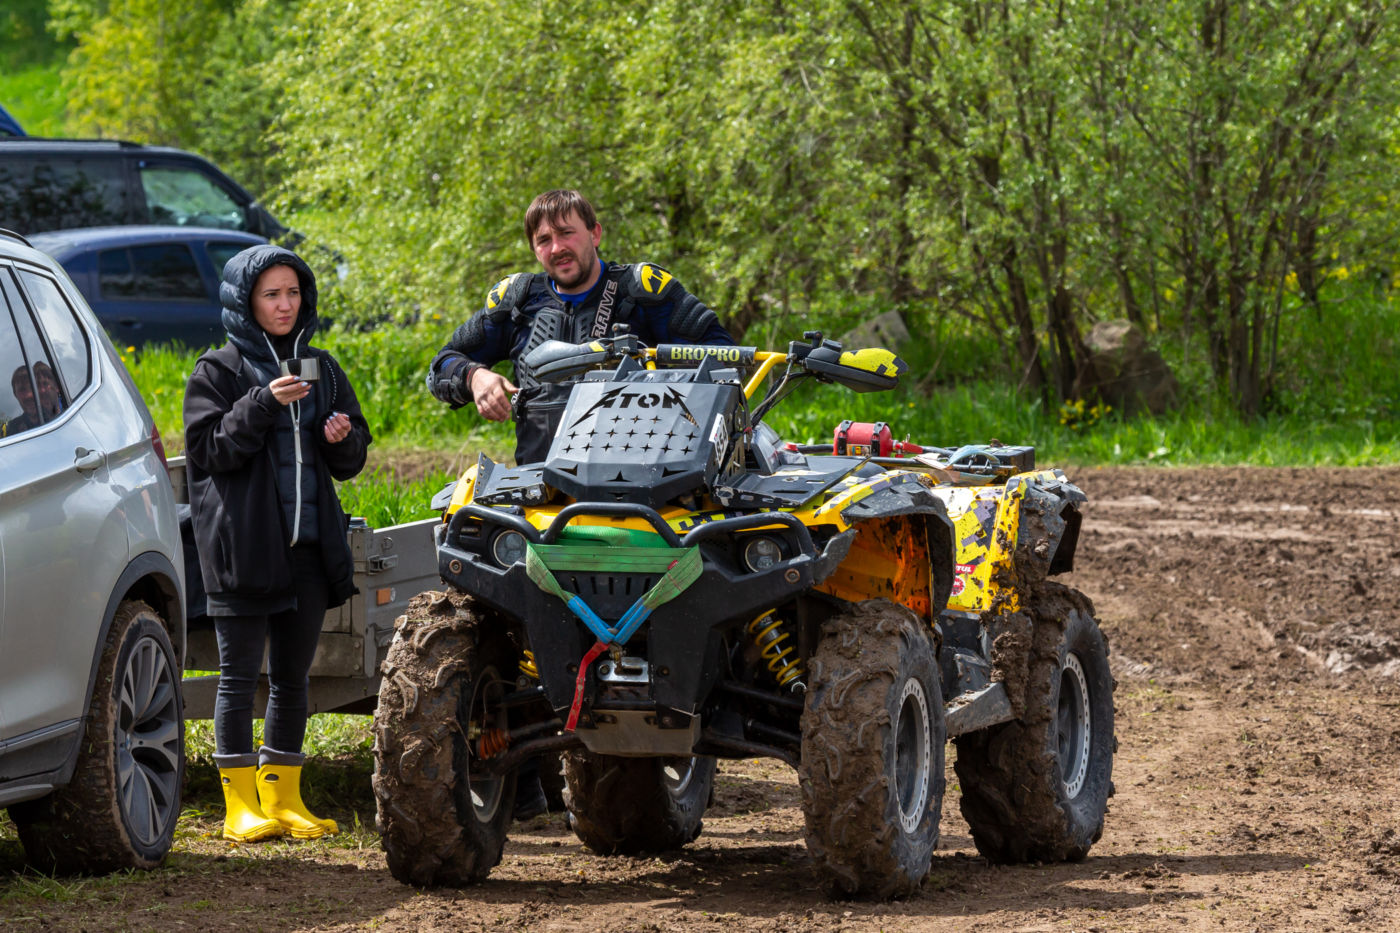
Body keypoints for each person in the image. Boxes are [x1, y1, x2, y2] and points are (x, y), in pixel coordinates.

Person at [183, 244, 371, 843]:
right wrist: (263, 403)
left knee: (294, 679)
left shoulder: (323, 368)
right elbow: (209, 451)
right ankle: (239, 805)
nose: (285, 305)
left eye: (293, 293)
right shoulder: (217, 371)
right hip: (244, 549)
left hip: (309, 550)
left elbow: (352, 459)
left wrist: (341, 438)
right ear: (246, 302)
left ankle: (284, 799)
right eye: (271, 295)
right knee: (239, 679)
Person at [428, 188, 734, 465]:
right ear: (534, 250)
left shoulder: (643, 290)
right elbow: (442, 364)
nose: (556, 248)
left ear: (594, 234)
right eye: (544, 240)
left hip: (639, 484)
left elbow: (726, 358)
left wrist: (657, 381)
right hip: (542, 488)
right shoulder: (516, 301)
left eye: (566, 233)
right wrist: (474, 377)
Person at [2, 361, 63, 437]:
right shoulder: (10, 430)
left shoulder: (67, 411)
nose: (28, 395)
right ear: (15, 394)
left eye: (32, 387)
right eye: (22, 390)